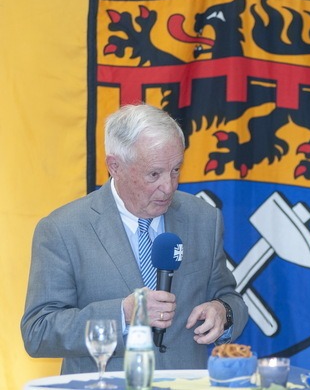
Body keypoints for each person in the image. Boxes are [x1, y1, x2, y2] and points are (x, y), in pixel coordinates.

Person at [21, 104, 248, 374]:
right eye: (154, 174)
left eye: (176, 169)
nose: (169, 186)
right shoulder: (62, 229)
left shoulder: (204, 219)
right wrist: (123, 314)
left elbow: (229, 297)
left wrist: (223, 311)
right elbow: (38, 331)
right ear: (115, 166)